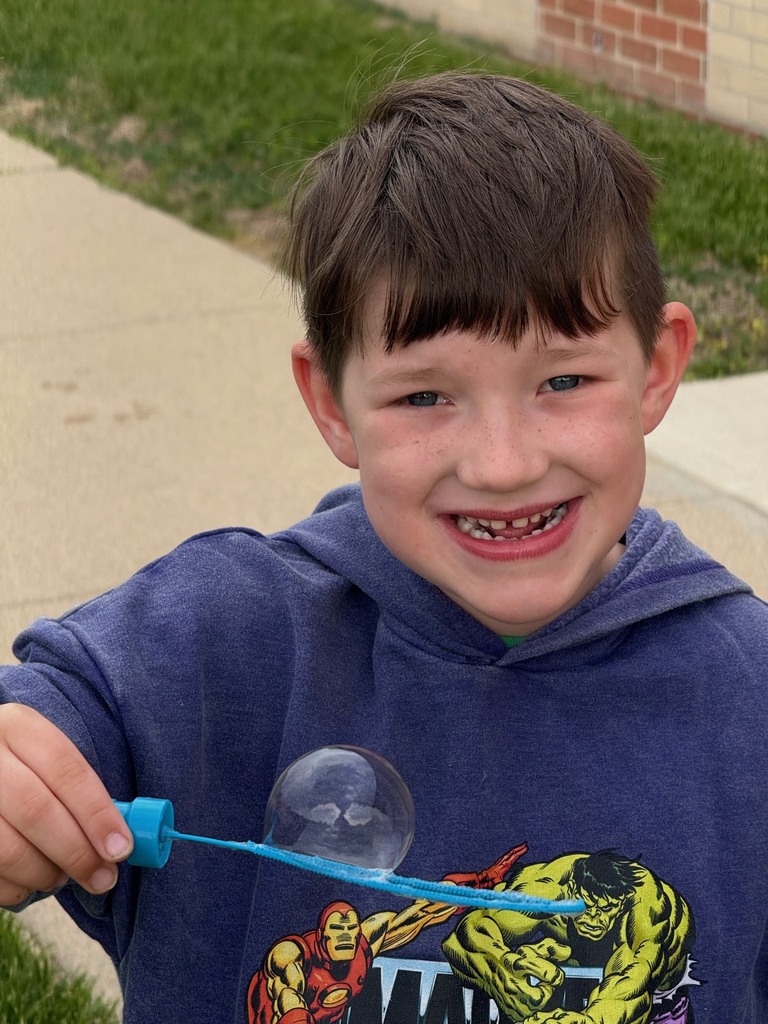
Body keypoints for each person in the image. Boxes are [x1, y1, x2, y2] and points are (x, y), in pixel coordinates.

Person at [1, 71, 766, 1024]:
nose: (502, 464)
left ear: (657, 368)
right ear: (332, 404)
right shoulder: (219, 642)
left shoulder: (747, 692)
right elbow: (50, 716)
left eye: (564, 381)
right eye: (424, 396)